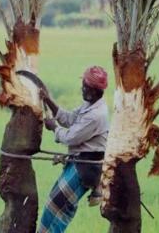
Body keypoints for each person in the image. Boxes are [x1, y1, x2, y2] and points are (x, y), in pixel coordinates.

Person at [38, 66, 109, 233]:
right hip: (78, 163)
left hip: (85, 168)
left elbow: (71, 137)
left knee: (58, 211)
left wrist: (53, 127)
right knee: (52, 206)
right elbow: (70, 119)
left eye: (85, 86)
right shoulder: (90, 105)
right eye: (83, 85)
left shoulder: (96, 114)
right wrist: (48, 100)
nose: (82, 89)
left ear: (94, 90)